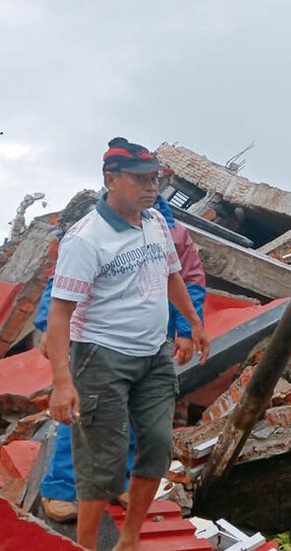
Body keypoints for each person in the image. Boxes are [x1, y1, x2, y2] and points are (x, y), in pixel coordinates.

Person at [46, 137, 208, 551]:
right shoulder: (85, 239)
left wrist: (193, 323)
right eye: (140, 178)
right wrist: (62, 381)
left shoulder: (156, 222)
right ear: (110, 179)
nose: (151, 187)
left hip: (153, 353)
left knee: (156, 444)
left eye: (154, 178)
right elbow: (57, 317)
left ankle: (129, 545)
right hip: (101, 356)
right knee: (103, 458)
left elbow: (173, 275)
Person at [38, 191, 206, 523]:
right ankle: (60, 488)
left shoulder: (169, 230)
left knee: (137, 418)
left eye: (152, 181)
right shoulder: (92, 232)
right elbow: (59, 287)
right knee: (86, 415)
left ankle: (121, 481)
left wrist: (186, 330)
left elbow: (189, 281)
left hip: (150, 341)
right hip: (100, 343)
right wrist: (48, 326)